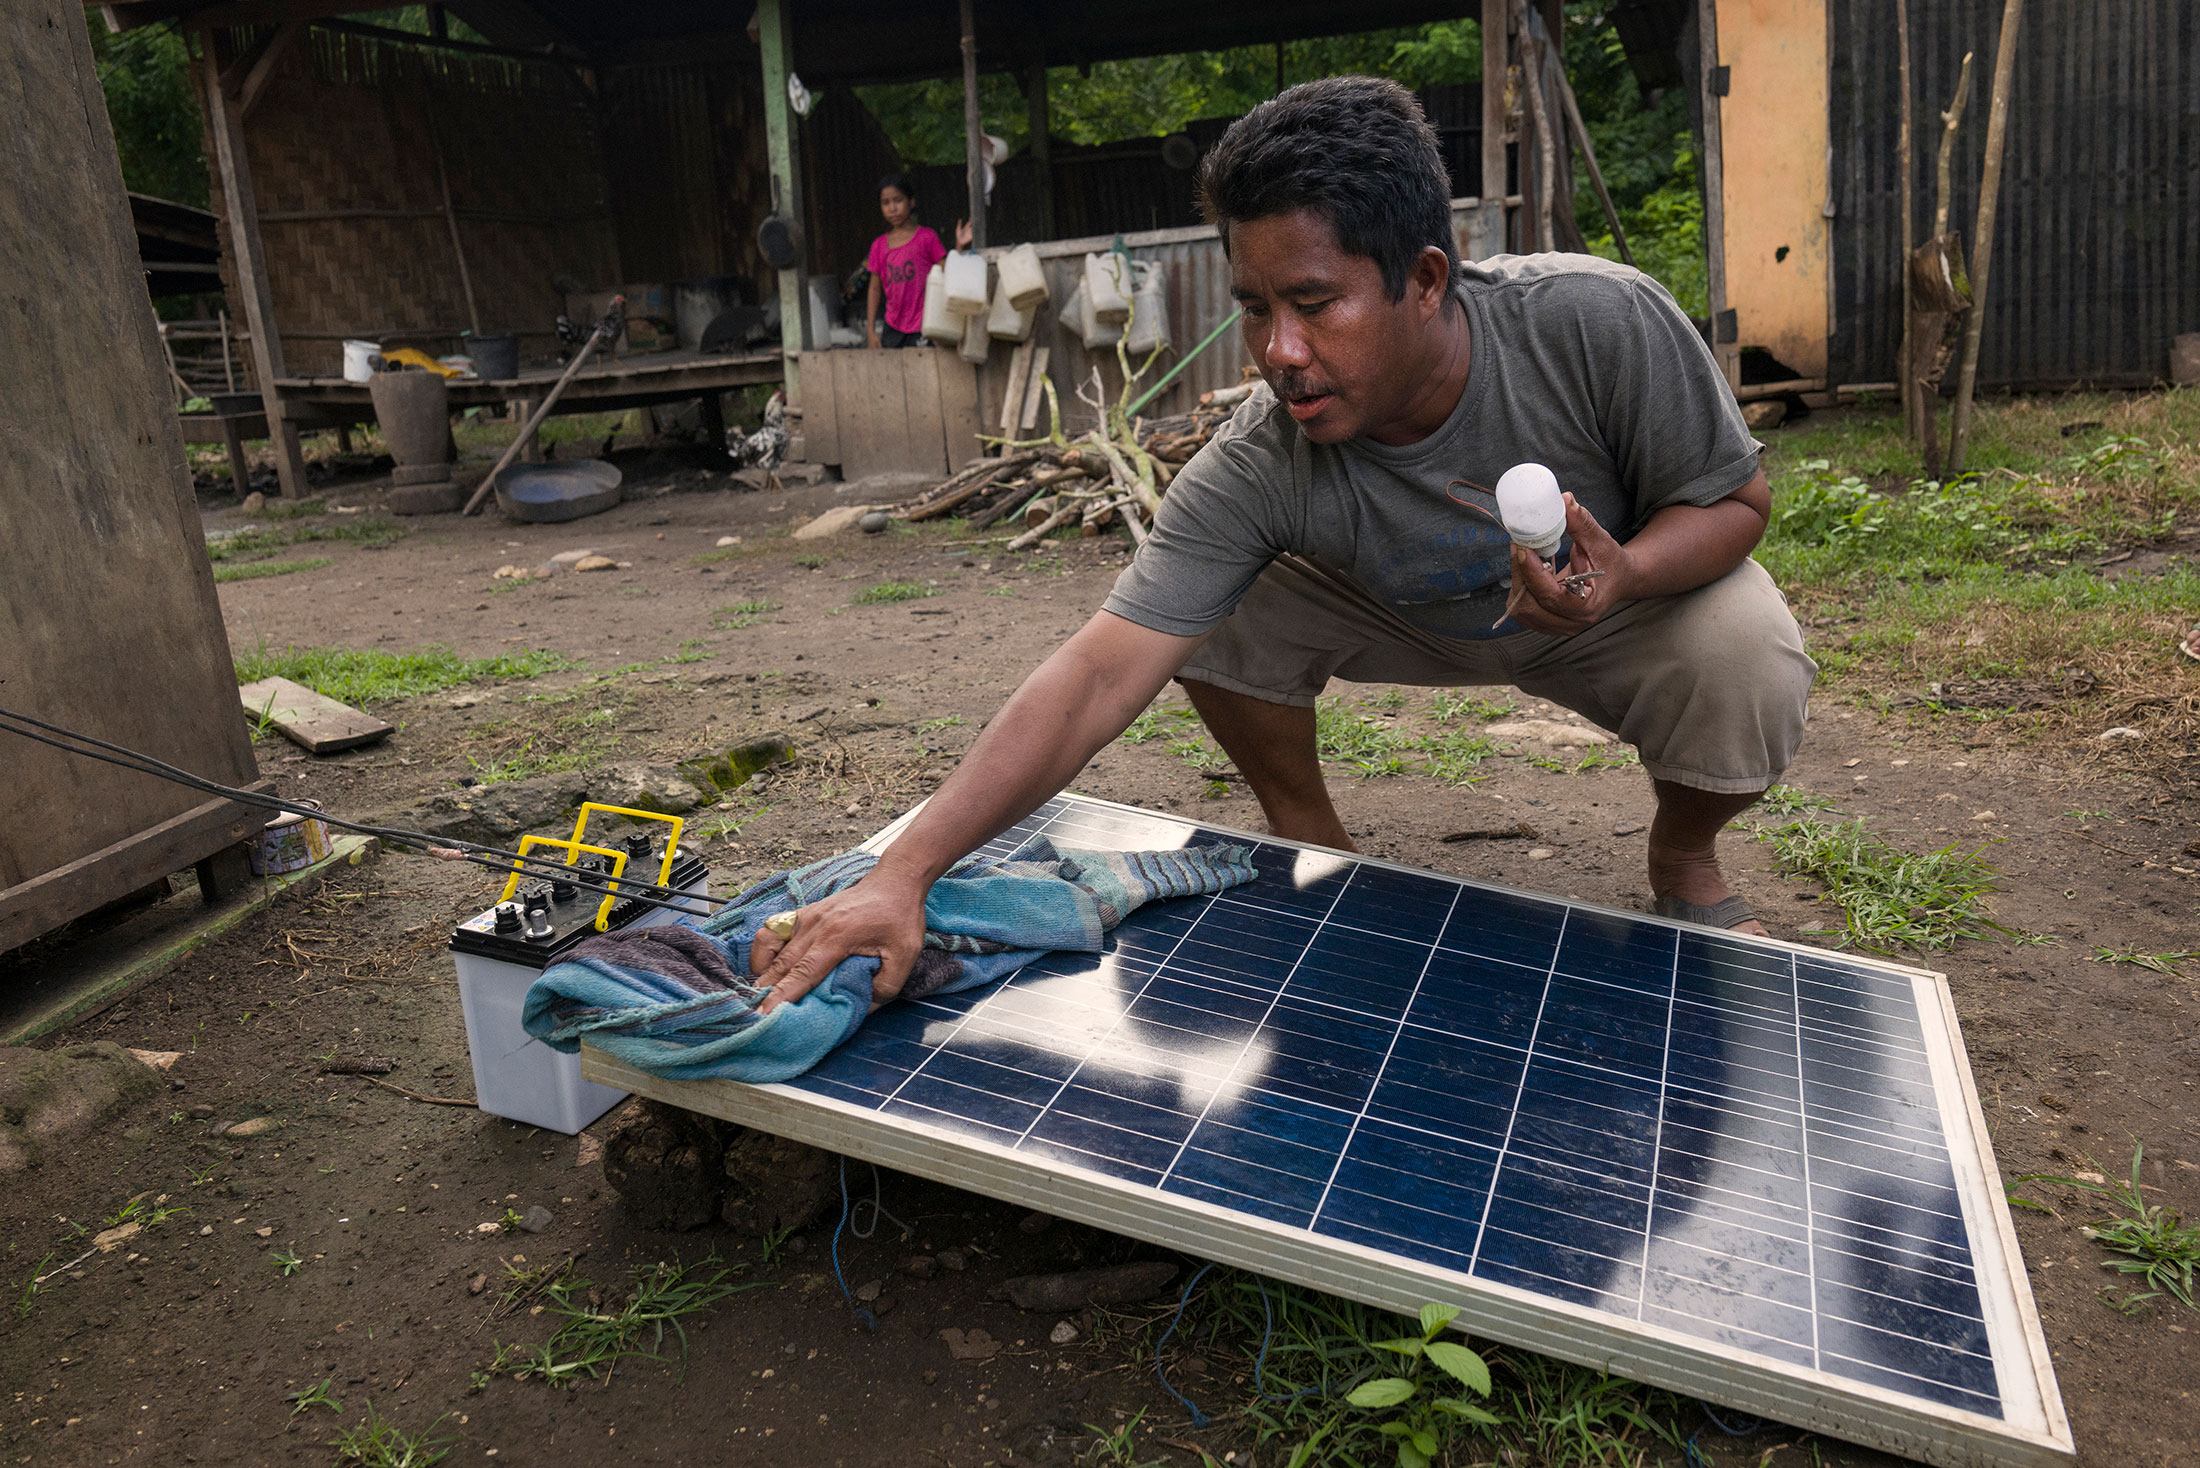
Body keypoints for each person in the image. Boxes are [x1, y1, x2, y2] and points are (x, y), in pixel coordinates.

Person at [754, 75, 1814, 1010]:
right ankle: (1311, 835)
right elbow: (1098, 669)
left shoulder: (1596, 322)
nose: (1279, 351)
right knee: (1198, 603)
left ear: (1427, 280)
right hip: (1403, 614)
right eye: (1254, 309)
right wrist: (907, 872)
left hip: (1601, 611)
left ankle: (1681, 857)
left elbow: (1735, 503)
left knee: (1747, 643)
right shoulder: (1260, 460)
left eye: (1314, 304)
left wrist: (1625, 571)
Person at [864, 173, 972, 348]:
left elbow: (947, 273)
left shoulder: (926, 238)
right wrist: (870, 330)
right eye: (886, 203)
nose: (892, 208)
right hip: (892, 326)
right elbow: (874, 288)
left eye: (898, 200)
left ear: (911, 202)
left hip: (923, 323)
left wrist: (959, 248)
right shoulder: (878, 246)